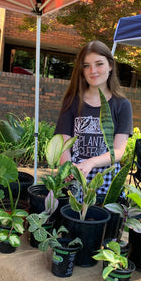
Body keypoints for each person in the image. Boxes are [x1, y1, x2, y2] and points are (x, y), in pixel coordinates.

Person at [55, 40, 133, 195]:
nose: (93, 70)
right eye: (86, 65)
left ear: (110, 66)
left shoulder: (122, 105)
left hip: (106, 180)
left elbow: (118, 151)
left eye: (99, 64)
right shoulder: (72, 101)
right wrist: (68, 166)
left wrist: (90, 163)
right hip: (74, 176)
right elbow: (64, 143)